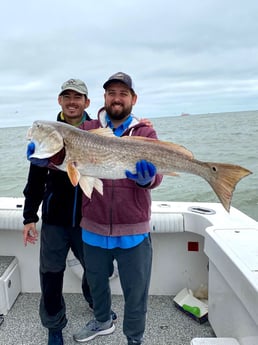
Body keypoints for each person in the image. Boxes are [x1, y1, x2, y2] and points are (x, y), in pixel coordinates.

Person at [72, 72, 163, 345]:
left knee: (136, 292)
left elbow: (158, 175)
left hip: (133, 229)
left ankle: (134, 338)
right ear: (104, 98)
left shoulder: (145, 132)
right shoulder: (87, 130)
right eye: (112, 93)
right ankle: (102, 321)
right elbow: (66, 157)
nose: (117, 98)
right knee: (96, 284)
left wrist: (148, 179)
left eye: (123, 93)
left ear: (133, 99)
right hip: (93, 227)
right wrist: (44, 157)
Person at [23, 79, 95, 345]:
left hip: (90, 219)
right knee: (51, 275)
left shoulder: (97, 131)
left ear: (87, 102)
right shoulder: (48, 135)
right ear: (60, 101)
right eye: (67, 97)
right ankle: (54, 324)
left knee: (95, 270)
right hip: (54, 220)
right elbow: (34, 182)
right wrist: (29, 216)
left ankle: (94, 304)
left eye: (78, 97)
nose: (72, 101)